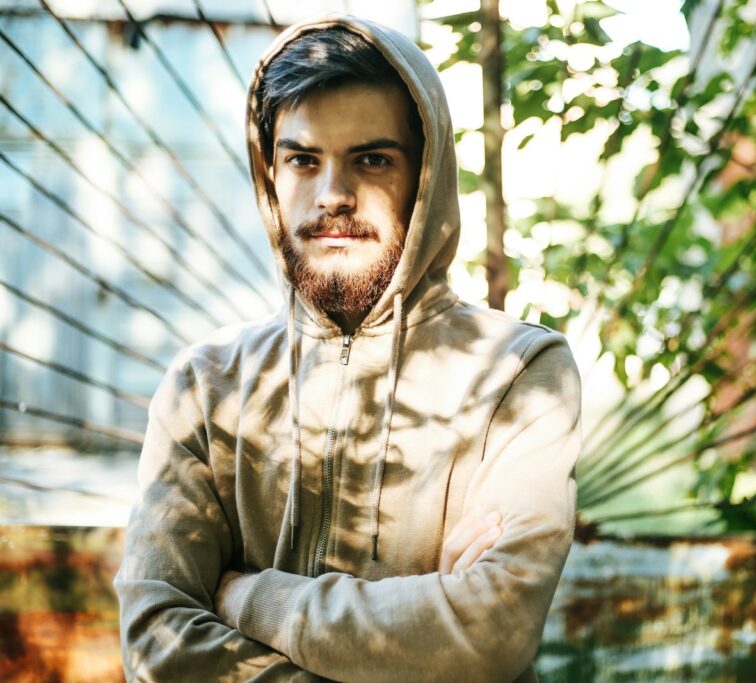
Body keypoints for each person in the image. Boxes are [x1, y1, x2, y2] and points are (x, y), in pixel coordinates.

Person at [113, 14, 582, 683]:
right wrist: (413, 633)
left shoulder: (518, 375)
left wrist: (245, 595)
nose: (333, 194)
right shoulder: (205, 387)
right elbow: (156, 644)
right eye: (303, 159)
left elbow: (490, 631)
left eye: (371, 158)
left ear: (423, 177)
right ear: (270, 175)